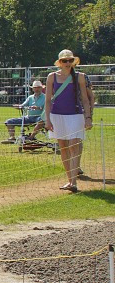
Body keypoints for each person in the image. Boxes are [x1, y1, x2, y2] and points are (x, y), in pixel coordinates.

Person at [44, 49, 93, 192]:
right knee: (64, 148)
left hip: (76, 115)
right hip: (57, 115)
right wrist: (47, 120)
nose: (68, 63)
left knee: (74, 145)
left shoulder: (80, 77)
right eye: (65, 61)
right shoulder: (52, 77)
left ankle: (73, 181)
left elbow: (85, 99)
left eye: (70, 60)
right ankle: (70, 180)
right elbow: (47, 100)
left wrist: (88, 117)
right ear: (59, 63)